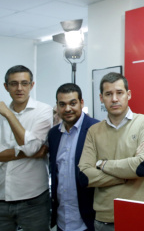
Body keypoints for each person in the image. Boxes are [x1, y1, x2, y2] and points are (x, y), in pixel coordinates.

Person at [78, 72, 144, 231]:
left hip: (141, 216)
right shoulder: (94, 131)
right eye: (108, 94)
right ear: (101, 98)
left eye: (119, 93)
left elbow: (142, 166)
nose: (114, 99)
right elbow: (84, 176)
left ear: (128, 95)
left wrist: (101, 164)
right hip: (104, 220)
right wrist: (127, 175)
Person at [0, 65, 52, 231]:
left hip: (33, 199)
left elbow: (31, 148)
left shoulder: (43, 111)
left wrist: (9, 114)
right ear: (6, 87)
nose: (19, 88)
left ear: (32, 85)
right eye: (14, 84)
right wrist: (26, 151)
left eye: (24, 83)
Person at [48, 83, 99, 231]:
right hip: (62, 220)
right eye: (62, 104)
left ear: (81, 103)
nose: (68, 109)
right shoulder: (53, 134)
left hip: (88, 220)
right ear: (57, 106)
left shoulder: (96, 129)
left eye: (73, 103)